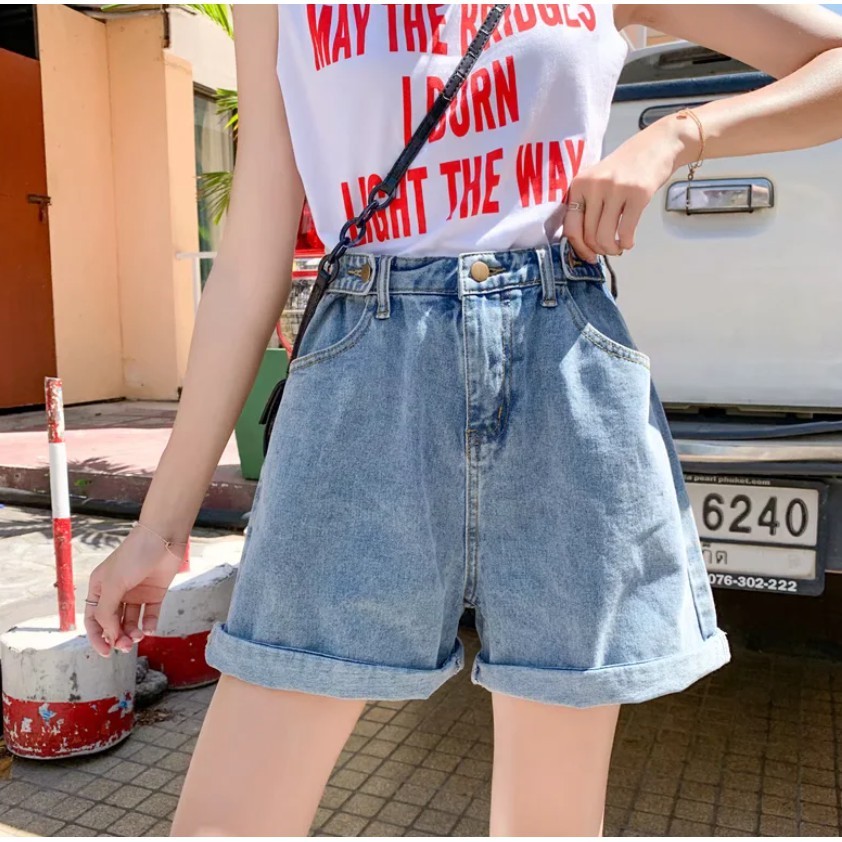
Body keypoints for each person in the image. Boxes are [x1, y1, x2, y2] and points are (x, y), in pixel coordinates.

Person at [84, 4, 842, 836]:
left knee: (549, 824)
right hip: (366, 376)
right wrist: (160, 528)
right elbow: (250, 253)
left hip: (561, 370)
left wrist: (677, 136)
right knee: (230, 823)